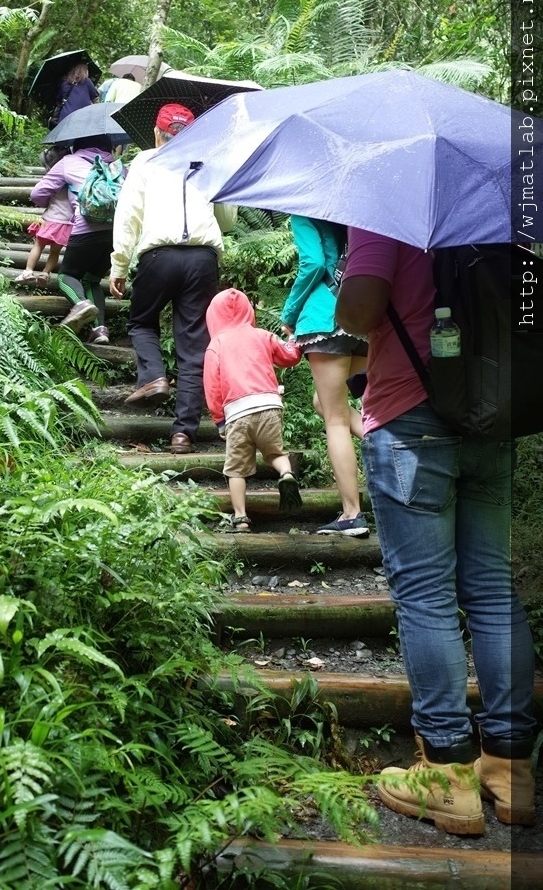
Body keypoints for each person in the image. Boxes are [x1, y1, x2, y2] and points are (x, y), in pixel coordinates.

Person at [335, 228, 538, 835]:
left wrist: (345, 286)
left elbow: (362, 307)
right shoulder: (495, 206)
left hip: (410, 414)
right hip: (490, 410)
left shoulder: (387, 204)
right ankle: (511, 770)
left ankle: (447, 772)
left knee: (426, 594)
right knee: (495, 589)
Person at [109, 103, 238, 455]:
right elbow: (227, 219)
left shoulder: (145, 161)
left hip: (158, 256)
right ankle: (183, 434)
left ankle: (152, 376)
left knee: (140, 323)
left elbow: (128, 217)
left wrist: (119, 266)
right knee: (194, 346)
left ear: (156, 133)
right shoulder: (209, 161)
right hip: (203, 259)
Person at [280, 216, 369, 537]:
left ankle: (351, 514)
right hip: (359, 314)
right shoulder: (351, 211)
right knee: (325, 403)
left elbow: (313, 261)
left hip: (324, 317)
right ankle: (390, 446)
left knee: (334, 419)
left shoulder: (303, 210)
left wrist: (288, 314)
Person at [204, 288, 303, 532]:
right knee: (275, 453)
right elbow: (290, 357)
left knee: (236, 468)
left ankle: (240, 517)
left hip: (237, 413)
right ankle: (287, 474)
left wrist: (219, 420)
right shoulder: (263, 335)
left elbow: (212, 387)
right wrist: (293, 337)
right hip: (269, 406)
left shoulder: (216, 344)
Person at [30, 135, 124, 344]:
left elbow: (37, 194)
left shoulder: (68, 162)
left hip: (85, 229)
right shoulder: (118, 166)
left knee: (66, 276)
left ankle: (80, 304)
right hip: (116, 233)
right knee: (91, 279)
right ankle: (100, 330)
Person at [14, 147, 73, 287]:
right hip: (66, 223)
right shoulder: (72, 181)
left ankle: (28, 271)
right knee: (55, 252)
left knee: (38, 245)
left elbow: (42, 195)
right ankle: (45, 273)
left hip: (50, 219)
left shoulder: (54, 180)